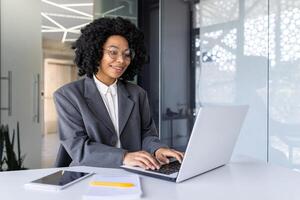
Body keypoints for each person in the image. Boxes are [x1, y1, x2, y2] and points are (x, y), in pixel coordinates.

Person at [54, 17, 184, 170]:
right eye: (113, 52)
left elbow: (147, 134)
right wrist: (124, 157)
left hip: (134, 172)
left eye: (127, 54)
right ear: (96, 52)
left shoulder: (138, 93)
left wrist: (158, 149)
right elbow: (78, 147)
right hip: (89, 172)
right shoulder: (68, 96)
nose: (121, 60)